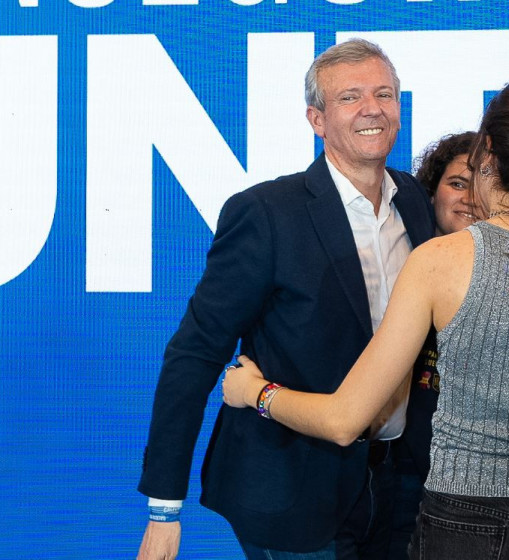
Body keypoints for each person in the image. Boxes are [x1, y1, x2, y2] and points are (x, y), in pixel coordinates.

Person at [222, 79, 509, 559]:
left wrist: (257, 394)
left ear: (487, 152)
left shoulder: (438, 261)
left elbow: (344, 420)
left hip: (469, 518)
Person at [136, 39, 435, 560]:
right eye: (350, 97)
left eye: (384, 94)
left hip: (397, 484)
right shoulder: (267, 213)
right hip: (290, 490)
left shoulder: (414, 201)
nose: (372, 108)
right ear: (316, 119)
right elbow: (195, 351)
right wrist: (165, 508)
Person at [388, 131, 478, 559]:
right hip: (392, 476)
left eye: (483, 183)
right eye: (458, 183)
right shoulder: (395, 268)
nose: (469, 198)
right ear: (431, 189)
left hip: (480, 493)